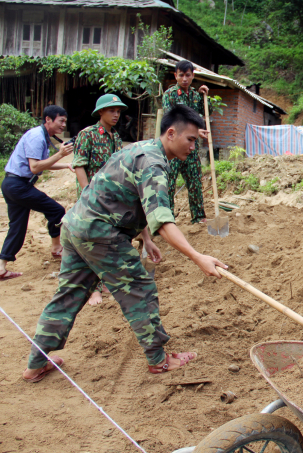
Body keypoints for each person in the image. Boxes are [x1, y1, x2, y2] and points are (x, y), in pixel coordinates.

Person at [22, 105, 228, 383]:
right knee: (139, 290)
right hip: (100, 233)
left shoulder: (140, 149)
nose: (194, 146)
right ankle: (158, 360)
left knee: (67, 296)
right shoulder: (154, 163)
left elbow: (126, 196)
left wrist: (145, 238)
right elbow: (164, 222)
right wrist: (197, 256)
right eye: (191, 139)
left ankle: (36, 364)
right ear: (171, 133)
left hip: (76, 225)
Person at [0, 106, 74, 281]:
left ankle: (1, 267)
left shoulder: (41, 135)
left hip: (12, 184)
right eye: (61, 121)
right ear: (48, 119)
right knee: (56, 210)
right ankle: (56, 248)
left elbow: (42, 164)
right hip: (18, 185)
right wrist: (61, 155)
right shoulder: (36, 137)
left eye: (65, 121)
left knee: (17, 227)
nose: (64, 125)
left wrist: (64, 165)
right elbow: (35, 167)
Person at [72, 94, 127, 306]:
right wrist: (86, 194)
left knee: (110, 241)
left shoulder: (116, 138)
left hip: (111, 199)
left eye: (118, 111)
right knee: (91, 242)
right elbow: (79, 165)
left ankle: (106, 282)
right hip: (92, 199)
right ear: (100, 112)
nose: (116, 114)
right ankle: (93, 290)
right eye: (112, 110)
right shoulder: (87, 134)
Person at [162, 59, 210, 224]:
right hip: (174, 149)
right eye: (181, 75)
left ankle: (198, 217)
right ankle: (167, 220)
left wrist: (205, 96)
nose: (184, 79)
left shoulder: (196, 96)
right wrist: (196, 131)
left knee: (195, 181)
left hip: (191, 148)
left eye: (187, 75)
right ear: (175, 75)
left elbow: (202, 115)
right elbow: (172, 121)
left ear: (192, 76)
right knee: (168, 183)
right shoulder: (170, 95)